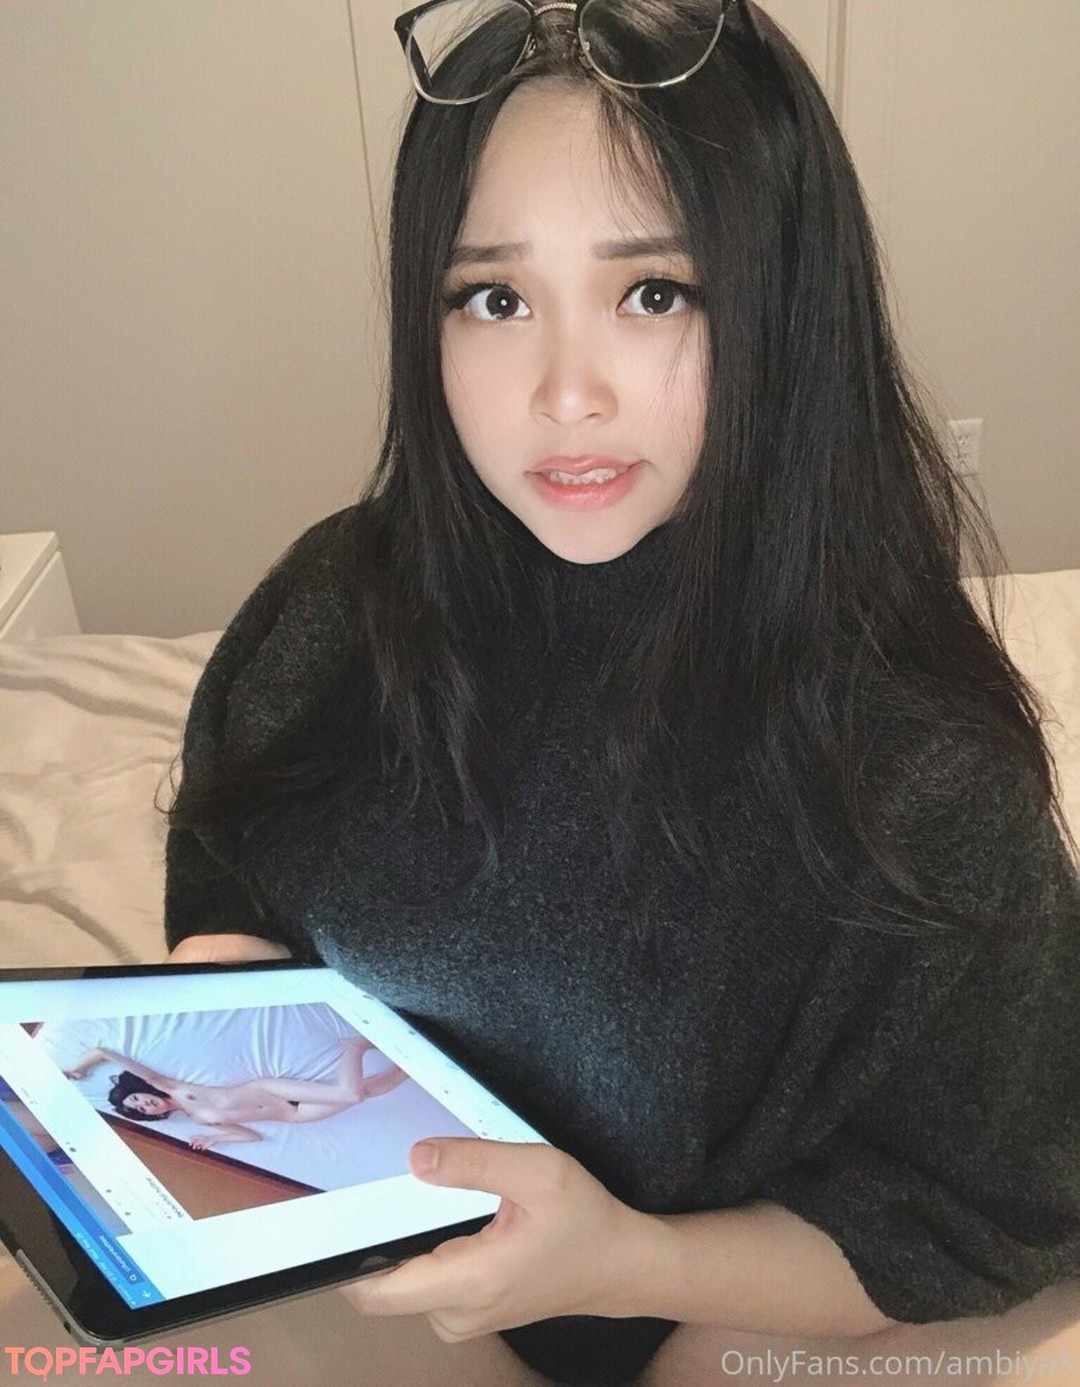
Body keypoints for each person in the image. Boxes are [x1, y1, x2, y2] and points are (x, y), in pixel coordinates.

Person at [161, 1, 1080, 1384]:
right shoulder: (342, 600)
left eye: (653, 292)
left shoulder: (921, 766)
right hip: (374, 1278)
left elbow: (977, 1208)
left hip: (733, 1306)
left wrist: (620, 1257)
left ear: (780, 305)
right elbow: (229, 846)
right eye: (496, 299)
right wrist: (220, 984)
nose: (566, 395)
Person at [63, 1037, 406, 1149]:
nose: (144, 1103)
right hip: (293, 1115)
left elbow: (106, 1051)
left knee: (351, 1094)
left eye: (137, 1097)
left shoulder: (174, 1088)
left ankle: (355, 1045)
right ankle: (408, 1066)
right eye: (140, 1109)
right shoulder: (197, 1119)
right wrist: (215, 1139)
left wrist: (86, 1064)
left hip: (268, 1090)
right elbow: (251, 1136)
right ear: (152, 1116)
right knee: (366, 1092)